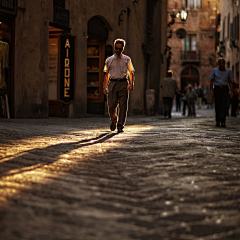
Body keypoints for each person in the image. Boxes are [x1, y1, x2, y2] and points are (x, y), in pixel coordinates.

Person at [103, 38, 135, 133]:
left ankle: (120, 125)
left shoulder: (127, 59)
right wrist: (105, 87)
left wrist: (131, 84)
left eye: (120, 49)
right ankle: (114, 121)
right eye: (116, 48)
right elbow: (106, 74)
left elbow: (131, 72)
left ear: (123, 49)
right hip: (112, 83)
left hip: (123, 83)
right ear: (114, 48)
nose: (118, 50)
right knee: (111, 105)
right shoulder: (109, 60)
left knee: (123, 105)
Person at [209, 58, 233, 127]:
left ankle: (223, 121)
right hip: (217, 89)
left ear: (224, 64)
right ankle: (218, 121)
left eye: (223, 63)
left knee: (224, 105)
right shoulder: (214, 70)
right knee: (217, 105)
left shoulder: (228, 71)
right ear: (218, 64)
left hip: (225, 89)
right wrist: (211, 90)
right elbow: (211, 81)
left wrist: (231, 91)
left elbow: (230, 82)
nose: (222, 64)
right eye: (220, 63)